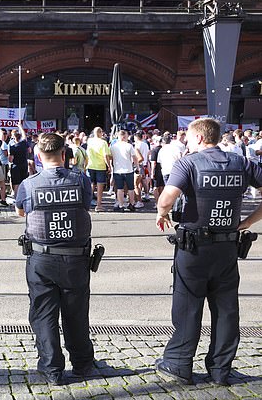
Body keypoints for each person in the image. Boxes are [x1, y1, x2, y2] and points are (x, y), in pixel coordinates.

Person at [155, 118, 262, 386]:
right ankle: (220, 370)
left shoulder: (188, 163)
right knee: (226, 309)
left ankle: (179, 365)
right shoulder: (241, 163)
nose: (187, 143)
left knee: (188, 305)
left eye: (190, 139)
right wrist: (248, 222)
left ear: (200, 138)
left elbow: (167, 197)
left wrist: (161, 212)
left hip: (193, 248)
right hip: (227, 246)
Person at [15, 132, 94, 385]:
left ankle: (51, 369)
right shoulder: (80, 180)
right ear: (64, 154)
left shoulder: (29, 184)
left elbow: (20, 211)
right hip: (75, 258)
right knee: (77, 313)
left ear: (38, 156)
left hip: (42, 258)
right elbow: (86, 204)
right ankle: (82, 364)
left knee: (44, 314)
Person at [110, 130, 141, 212]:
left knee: (120, 189)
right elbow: (134, 158)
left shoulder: (113, 146)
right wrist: (137, 167)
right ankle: (131, 204)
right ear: (125, 136)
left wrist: (110, 166)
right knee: (131, 188)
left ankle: (121, 205)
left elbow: (110, 157)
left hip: (117, 170)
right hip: (128, 170)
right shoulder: (129, 146)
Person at [86, 127, 111, 212]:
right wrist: (109, 166)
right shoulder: (103, 142)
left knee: (91, 185)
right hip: (100, 166)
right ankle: (98, 205)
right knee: (100, 186)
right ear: (101, 133)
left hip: (90, 165)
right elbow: (106, 155)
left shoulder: (89, 141)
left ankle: (88, 203)